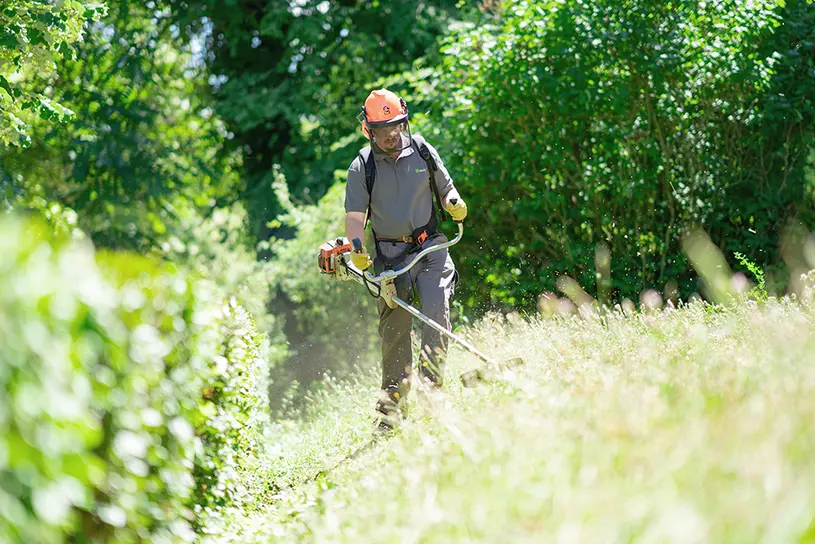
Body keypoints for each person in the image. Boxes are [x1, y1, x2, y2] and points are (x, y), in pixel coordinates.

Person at [344, 88, 467, 431]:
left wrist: (453, 201)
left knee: (435, 308)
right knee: (395, 328)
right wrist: (357, 246)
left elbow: (446, 188)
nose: (391, 135)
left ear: (404, 120)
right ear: (368, 130)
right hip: (390, 257)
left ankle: (433, 388)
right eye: (382, 131)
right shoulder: (362, 166)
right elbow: (355, 216)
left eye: (396, 126)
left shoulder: (423, 151)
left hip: (429, 248)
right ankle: (393, 404)